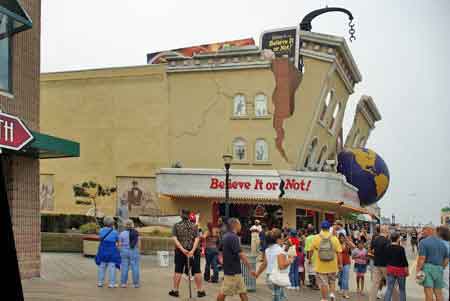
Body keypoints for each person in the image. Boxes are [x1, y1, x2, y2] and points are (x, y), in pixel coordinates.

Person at [169, 209, 206, 298]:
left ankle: (175, 290)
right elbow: (197, 239)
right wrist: (192, 250)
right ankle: (200, 290)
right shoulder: (194, 226)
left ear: (181, 215)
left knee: (178, 270)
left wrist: (182, 249)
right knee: (197, 270)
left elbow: (175, 239)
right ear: (189, 215)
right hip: (194, 251)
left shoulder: (176, 226)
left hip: (180, 251)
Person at [216, 218, 256, 301]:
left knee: (242, 291)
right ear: (235, 225)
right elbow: (241, 254)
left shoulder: (225, 236)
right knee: (224, 291)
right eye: (239, 224)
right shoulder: (233, 237)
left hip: (232, 269)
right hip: (233, 271)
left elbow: (219, 251)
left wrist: (221, 260)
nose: (240, 226)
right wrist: (250, 268)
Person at [255, 228, 294, 301]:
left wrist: (257, 274)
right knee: (279, 298)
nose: (283, 240)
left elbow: (264, 264)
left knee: (279, 296)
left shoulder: (267, 250)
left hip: (269, 277)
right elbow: (281, 266)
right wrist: (290, 260)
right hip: (277, 278)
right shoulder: (279, 251)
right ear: (278, 240)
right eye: (282, 238)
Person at [416, 225, 449, 301]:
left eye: (424, 230)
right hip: (439, 269)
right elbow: (446, 259)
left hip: (428, 268)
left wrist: (418, 270)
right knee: (439, 293)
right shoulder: (442, 243)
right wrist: (441, 267)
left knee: (428, 292)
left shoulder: (423, 242)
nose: (422, 232)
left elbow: (422, 258)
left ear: (429, 230)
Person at [312, 220, 343, 301]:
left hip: (321, 265)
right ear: (329, 228)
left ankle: (324, 298)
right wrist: (340, 264)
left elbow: (313, 248)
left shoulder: (316, 238)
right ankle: (332, 294)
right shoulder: (334, 238)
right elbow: (339, 252)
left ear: (321, 227)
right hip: (332, 265)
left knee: (323, 283)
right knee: (332, 281)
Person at [369, 225, 398, 301]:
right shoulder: (387, 241)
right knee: (391, 284)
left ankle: (371, 299)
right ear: (386, 231)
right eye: (388, 230)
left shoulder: (375, 239)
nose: (388, 232)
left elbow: (371, 250)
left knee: (375, 284)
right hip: (385, 265)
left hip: (376, 264)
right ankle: (396, 299)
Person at [96, 216, 121, 288]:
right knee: (112, 267)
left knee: (102, 267)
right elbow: (118, 241)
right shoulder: (115, 232)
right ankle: (112, 283)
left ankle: (100, 282)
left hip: (103, 249)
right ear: (112, 223)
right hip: (112, 250)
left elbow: (100, 239)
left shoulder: (101, 230)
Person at [384, 232, 409, 301]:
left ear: (391, 239)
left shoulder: (387, 247)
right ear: (398, 239)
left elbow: (385, 259)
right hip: (400, 270)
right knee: (402, 289)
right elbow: (404, 260)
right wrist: (407, 270)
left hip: (390, 269)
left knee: (389, 289)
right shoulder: (401, 248)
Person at [119, 219, 140, 288]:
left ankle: (123, 283)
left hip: (124, 250)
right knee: (135, 267)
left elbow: (120, 244)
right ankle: (136, 284)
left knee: (124, 267)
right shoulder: (136, 233)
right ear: (132, 225)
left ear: (125, 225)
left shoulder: (122, 233)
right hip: (134, 250)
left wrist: (121, 250)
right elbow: (138, 244)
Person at [338, 233, 355, 299]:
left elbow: (353, 246)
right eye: (340, 238)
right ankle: (341, 287)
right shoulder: (337, 244)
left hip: (346, 262)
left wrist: (348, 241)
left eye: (343, 238)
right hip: (339, 263)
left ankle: (345, 292)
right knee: (340, 278)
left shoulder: (347, 243)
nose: (342, 239)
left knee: (345, 278)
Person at [437, 226, 450, 301]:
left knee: (444, 288)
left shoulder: (441, 244)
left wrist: (441, 268)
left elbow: (446, 259)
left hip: (445, 267)